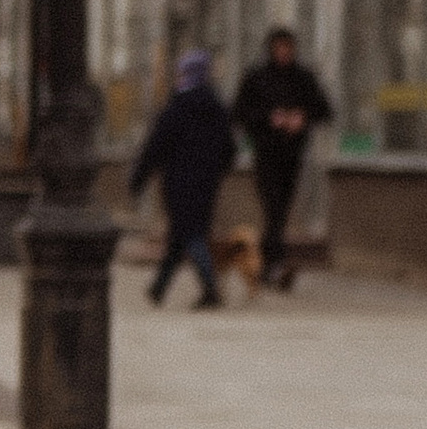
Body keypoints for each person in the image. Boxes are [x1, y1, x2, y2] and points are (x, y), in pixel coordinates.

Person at [132, 45, 237, 307]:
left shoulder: (176, 108)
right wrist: (216, 170)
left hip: (178, 182)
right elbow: (229, 148)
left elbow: (155, 146)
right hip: (206, 182)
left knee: (190, 233)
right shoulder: (216, 108)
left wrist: (139, 178)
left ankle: (210, 288)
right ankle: (158, 289)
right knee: (182, 234)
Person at [231, 27, 332, 290]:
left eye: (288, 47)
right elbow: (239, 112)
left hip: (292, 155)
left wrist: (302, 117)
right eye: (280, 47)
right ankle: (274, 263)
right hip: (265, 154)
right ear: (271, 49)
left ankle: (268, 265)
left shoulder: (303, 78)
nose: (284, 52)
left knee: (280, 210)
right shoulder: (257, 77)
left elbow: (324, 109)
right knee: (273, 207)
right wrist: (270, 118)